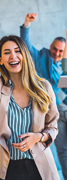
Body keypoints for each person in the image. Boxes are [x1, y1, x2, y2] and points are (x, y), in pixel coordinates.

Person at [0, 7, 60, 180]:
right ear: (1, 60)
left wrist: (38, 137)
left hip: (40, 166)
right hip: (9, 168)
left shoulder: (43, 87)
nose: (13, 56)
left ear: (25, 55)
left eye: (17, 51)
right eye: (7, 52)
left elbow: (53, 127)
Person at [20, 13, 67, 179]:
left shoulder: (66, 63)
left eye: (61, 51)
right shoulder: (41, 56)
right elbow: (26, 45)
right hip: (54, 112)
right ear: (50, 46)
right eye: (54, 48)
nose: (57, 53)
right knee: (62, 150)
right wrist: (26, 24)